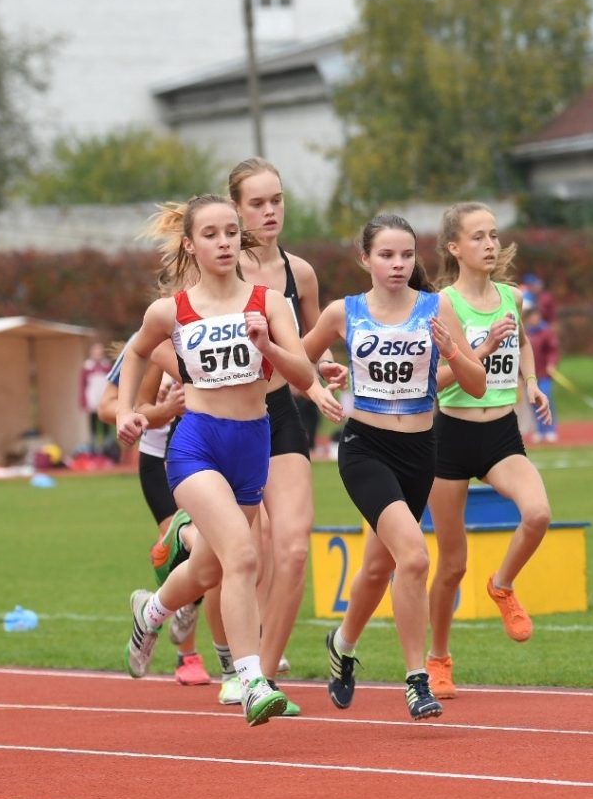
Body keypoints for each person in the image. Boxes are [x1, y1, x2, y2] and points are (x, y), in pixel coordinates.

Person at [115, 194, 338, 727]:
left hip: (253, 443)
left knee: (210, 567)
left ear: (243, 240)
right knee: (243, 555)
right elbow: (137, 350)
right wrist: (127, 409)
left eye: (231, 233)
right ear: (190, 244)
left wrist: (269, 346)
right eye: (211, 234)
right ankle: (251, 678)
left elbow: (302, 375)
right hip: (196, 445)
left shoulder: (269, 301)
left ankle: (152, 611)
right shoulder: (171, 311)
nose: (223, 243)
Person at [303, 214, 485, 720]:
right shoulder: (345, 312)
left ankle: (341, 645)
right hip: (365, 447)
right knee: (415, 557)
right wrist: (320, 380)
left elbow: (474, 384)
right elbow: (295, 360)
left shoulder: (437, 307)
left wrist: (454, 351)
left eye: (406, 255)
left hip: (420, 451)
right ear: (365, 259)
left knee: (378, 566)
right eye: (386, 255)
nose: (398, 264)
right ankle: (416, 679)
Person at [423, 203, 555, 698]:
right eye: (477, 237)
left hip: (501, 432)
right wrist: (478, 351)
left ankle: (502, 584)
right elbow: (437, 379)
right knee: (451, 564)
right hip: (451, 436)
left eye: (494, 235)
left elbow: (521, 341)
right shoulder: (443, 305)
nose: (490, 244)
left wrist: (532, 383)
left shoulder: (509, 296)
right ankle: (438, 659)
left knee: (538, 513)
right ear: (454, 247)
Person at [228, 157, 340, 711]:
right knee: (241, 551)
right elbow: (164, 340)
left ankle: (260, 682)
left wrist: (323, 372)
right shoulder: (220, 273)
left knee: (294, 548)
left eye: (277, 200)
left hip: (281, 414)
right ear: (236, 209)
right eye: (257, 203)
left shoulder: (301, 274)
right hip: (223, 421)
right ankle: (163, 599)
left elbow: (309, 342)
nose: (270, 211)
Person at [99, 338, 211, 687]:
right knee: (187, 543)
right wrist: (163, 412)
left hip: (208, 451)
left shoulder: (215, 327)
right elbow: (109, 407)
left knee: (211, 548)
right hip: (160, 458)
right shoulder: (148, 340)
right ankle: (187, 652)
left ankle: (167, 609)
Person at [525, 304, 559, 443]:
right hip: (531, 376)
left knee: (546, 399)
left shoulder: (546, 332)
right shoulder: (526, 333)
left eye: (536, 316)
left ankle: (550, 430)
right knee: (533, 403)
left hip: (544, 374)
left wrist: (551, 364)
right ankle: (539, 430)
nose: (534, 319)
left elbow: (553, 350)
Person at [80, 342, 114, 455]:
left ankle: (107, 450)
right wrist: (84, 402)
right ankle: (94, 450)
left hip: (104, 401)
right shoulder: (87, 367)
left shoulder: (107, 366)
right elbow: (82, 385)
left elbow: (112, 384)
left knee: (106, 427)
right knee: (93, 427)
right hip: (92, 402)